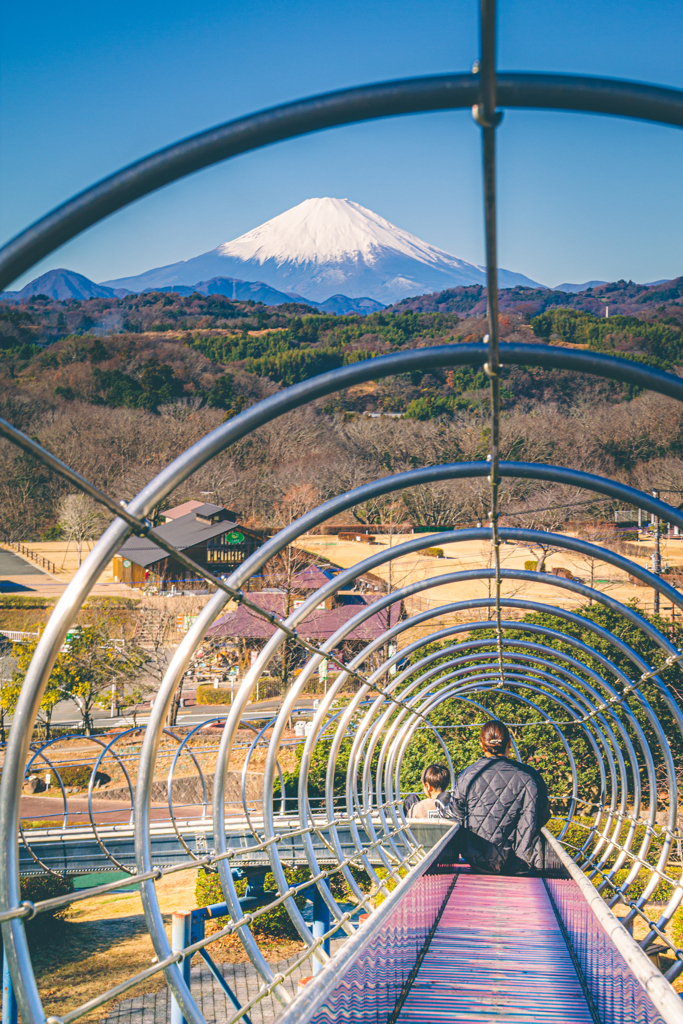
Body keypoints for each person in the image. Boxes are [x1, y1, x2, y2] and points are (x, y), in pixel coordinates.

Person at [438, 720, 550, 874]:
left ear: (482, 745)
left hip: (477, 862)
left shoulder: (468, 775)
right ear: (509, 743)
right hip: (522, 862)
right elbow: (543, 815)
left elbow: (455, 817)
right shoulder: (530, 776)